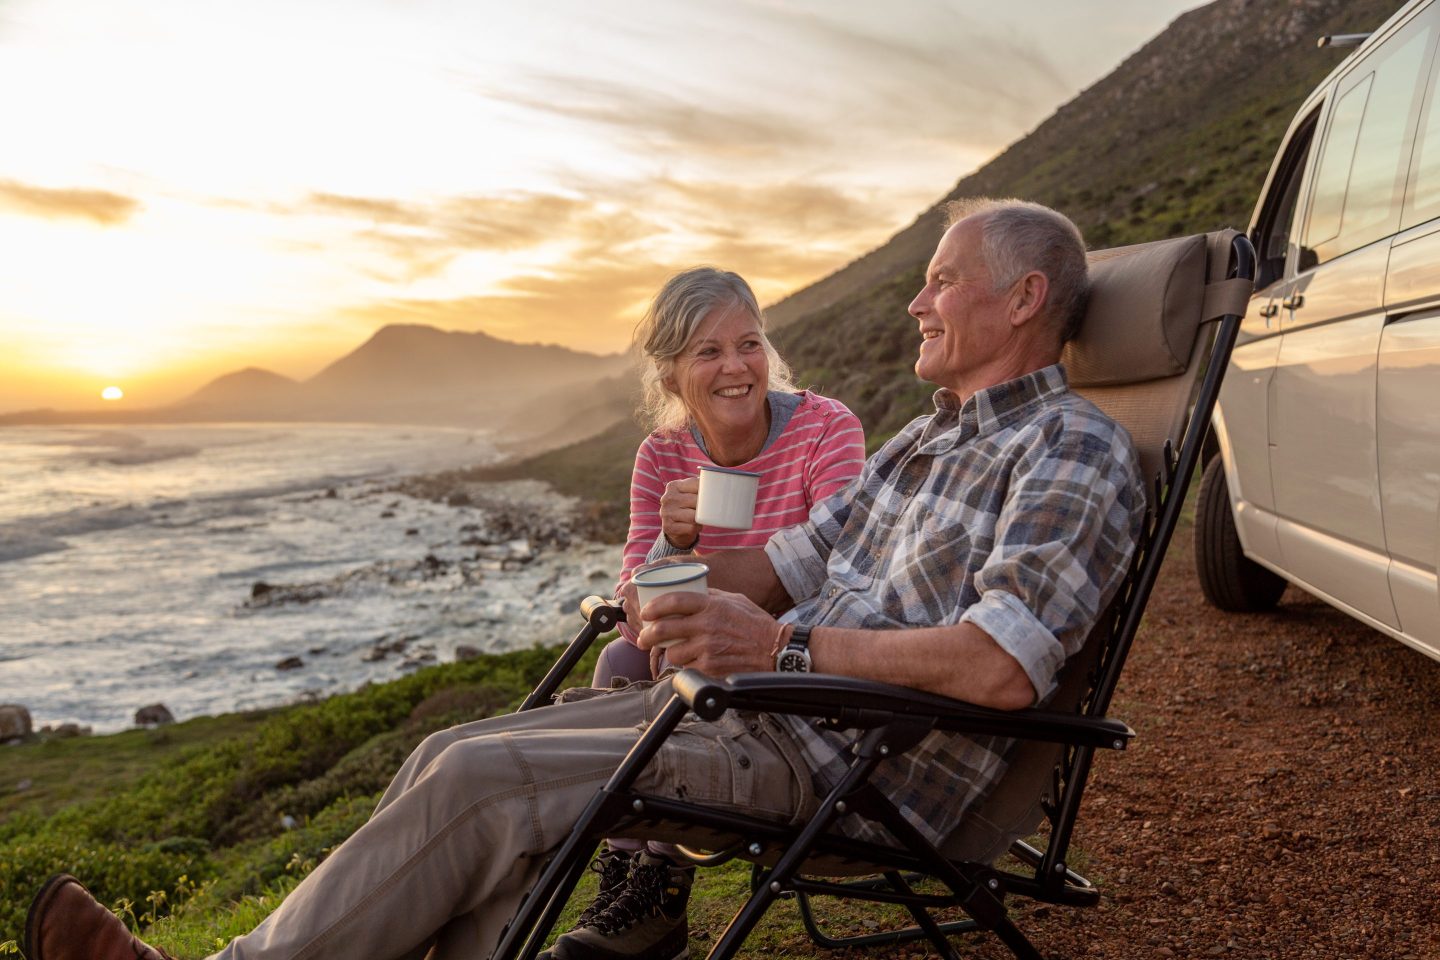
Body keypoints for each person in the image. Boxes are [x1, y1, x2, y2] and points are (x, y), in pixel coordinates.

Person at [24, 198, 1146, 960]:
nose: (917, 301)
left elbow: (1001, 668)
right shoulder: (927, 439)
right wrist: (682, 577)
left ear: (1022, 298)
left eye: (941, 281)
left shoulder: (1071, 449)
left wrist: (782, 651)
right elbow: (783, 567)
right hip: (771, 713)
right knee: (446, 749)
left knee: (485, 788)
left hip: (853, 758)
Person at [596, 266, 866, 688]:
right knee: (618, 658)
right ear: (671, 377)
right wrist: (673, 542)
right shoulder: (659, 455)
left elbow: (847, 572)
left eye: (749, 345)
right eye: (708, 353)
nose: (736, 366)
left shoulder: (826, 429)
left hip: (790, 655)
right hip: (687, 656)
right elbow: (632, 620)